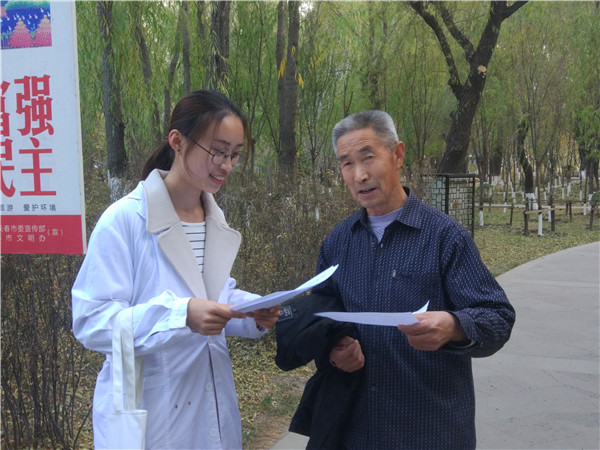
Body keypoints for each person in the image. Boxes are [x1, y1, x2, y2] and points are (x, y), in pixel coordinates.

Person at [276, 110, 515, 449]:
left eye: (368, 157)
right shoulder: (337, 244)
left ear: (398, 154)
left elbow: (498, 317)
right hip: (354, 431)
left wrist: (453, 326)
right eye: (347, 163)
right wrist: (334, 350)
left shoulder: (445, 237)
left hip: (429, 432)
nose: (359, 175)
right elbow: (322, 319)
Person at [72, 90, 280, 449]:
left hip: (211, 407)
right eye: (218, 151)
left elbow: (210, 294)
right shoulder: (125, 220)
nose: (227, 166)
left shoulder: (214, 219)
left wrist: (251, 312)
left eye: (235, 154)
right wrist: (180, 315)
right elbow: (92, 321)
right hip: (153, 414)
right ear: (177, 141)